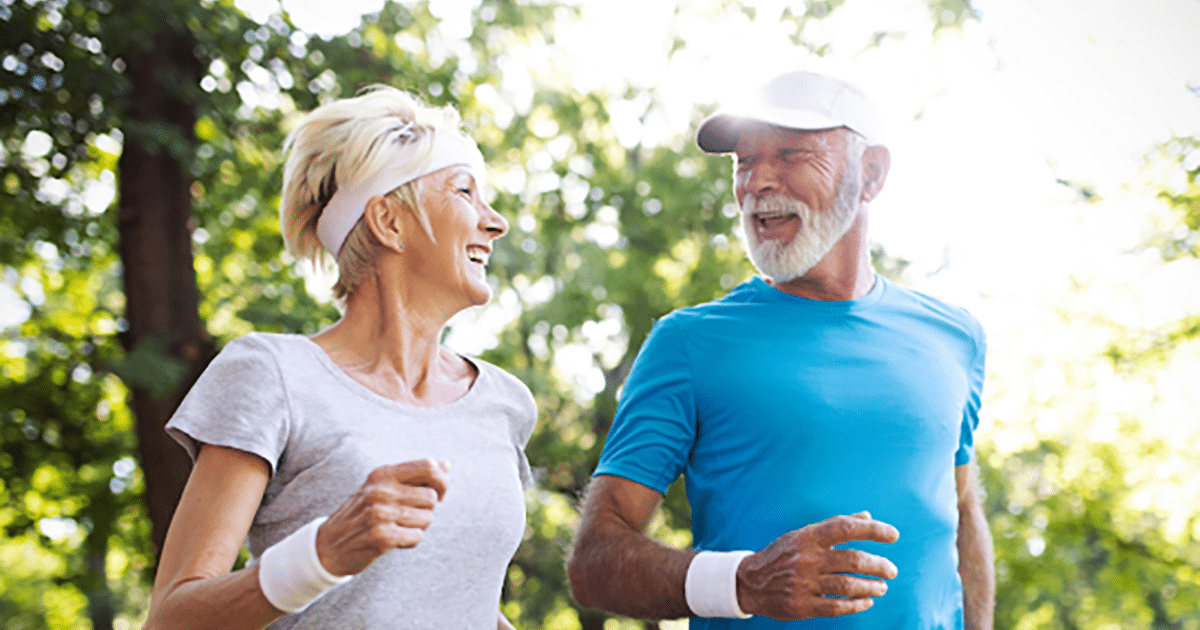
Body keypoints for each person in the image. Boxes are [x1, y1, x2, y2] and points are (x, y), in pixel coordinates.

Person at [567, 71, 994, 629]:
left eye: (791, 154)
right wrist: (742, 582)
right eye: (744, 161)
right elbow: (594, 563)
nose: (758, 181)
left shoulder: (955, 337)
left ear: (871, 173)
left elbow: (962, 511)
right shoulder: (689, 343)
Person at [143, 86, 536, 630]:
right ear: (388, 221)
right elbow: (170, 619)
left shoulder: (504, 402)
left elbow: (450, 600)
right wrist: (322, 554)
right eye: (466, 192)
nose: (495, 223)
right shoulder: (273, 375)